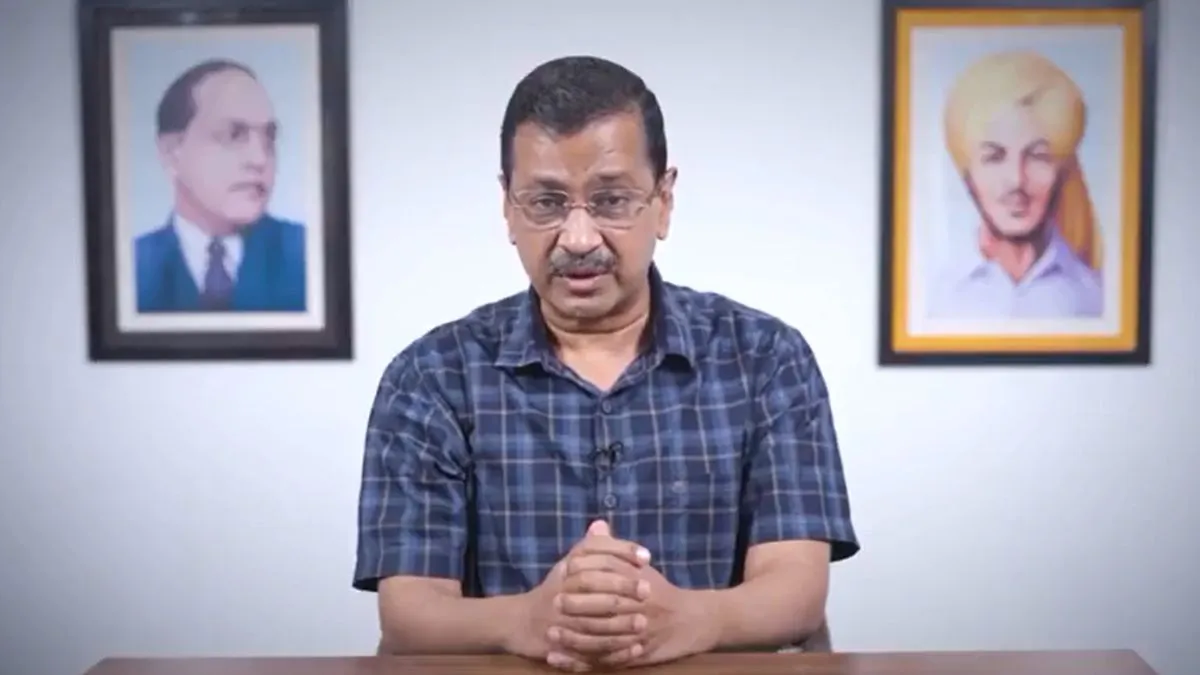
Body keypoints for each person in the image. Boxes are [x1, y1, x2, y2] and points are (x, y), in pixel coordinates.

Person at [353, 55, 859, 671]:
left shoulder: (767, 359)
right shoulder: (431, 377)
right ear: (508, 207)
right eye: (546, 202)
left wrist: (683, 620)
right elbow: (410, 612)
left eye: (612, 200)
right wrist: (528, 621)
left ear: (663, 201)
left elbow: (796, 591)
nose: (578, 238)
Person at [928, 50, 1103, 319]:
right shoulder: (936, 293)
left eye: (1038, 156)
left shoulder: (1096, 295)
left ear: (1062, 169)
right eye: (994, 157)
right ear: (967, 173)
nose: (1017, 179)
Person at [134, 58, 307, 313]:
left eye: (269, 138)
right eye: (233, 135)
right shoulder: (135, 267)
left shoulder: (306, 255)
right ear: (171, 152)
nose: (260, 159)